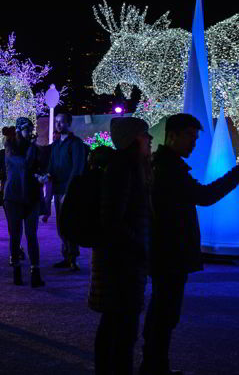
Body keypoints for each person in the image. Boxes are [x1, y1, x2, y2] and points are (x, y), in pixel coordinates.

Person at [139, 113, 239, 375]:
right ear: (172, 136)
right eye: (190, 136)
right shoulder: (171, 169)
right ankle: (155, 367)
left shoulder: (163, 165)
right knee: (165, 311)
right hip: (170, 251)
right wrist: (237, 172)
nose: (193, 143)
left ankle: (155, 365)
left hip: (165, 250)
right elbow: (205, 196)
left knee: (162, 309)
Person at [90, 117, 153, 375]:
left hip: (122, 259)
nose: (149, 140)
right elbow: (113, 219)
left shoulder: (131, 167)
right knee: (121, 325)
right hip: (121, 263)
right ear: (133, 139)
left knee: (117, 323)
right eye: (144, 135)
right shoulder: (124, 169)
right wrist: (138, 247)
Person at [4, 117, 48, 287]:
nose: (30, 132)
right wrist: (32, 148)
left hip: (31, 197)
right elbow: (22, 165)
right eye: (26, 129)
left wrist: (42, 175)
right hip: (14, 197)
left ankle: (35, 272)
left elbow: (40, 167)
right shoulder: (10, 147)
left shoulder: (34, 149)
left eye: (31, 129)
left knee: (32, 235)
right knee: (15, 236)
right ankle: (16, 271)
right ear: (18, 130)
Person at [42, 111, 88, 270]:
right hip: (58, 189)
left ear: (69, 123)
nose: (58, 125)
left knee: (69, 225)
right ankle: (66, 256)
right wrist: (47, 175)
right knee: (61, 225)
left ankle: (72, 258)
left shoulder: (76, 144)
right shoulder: (56, 145)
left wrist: (69, 192)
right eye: (57, 122)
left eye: (61, 122)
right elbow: (52, 165)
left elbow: (77, 168)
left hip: (69, 191)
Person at [0, 126, 26, 265]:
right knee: (13, 225)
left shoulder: (25, 152)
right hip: (8, 193)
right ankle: (15, 250)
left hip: (25, 192)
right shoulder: (2, 154)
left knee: (22, 225)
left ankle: (17, 249)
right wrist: (5, 174)